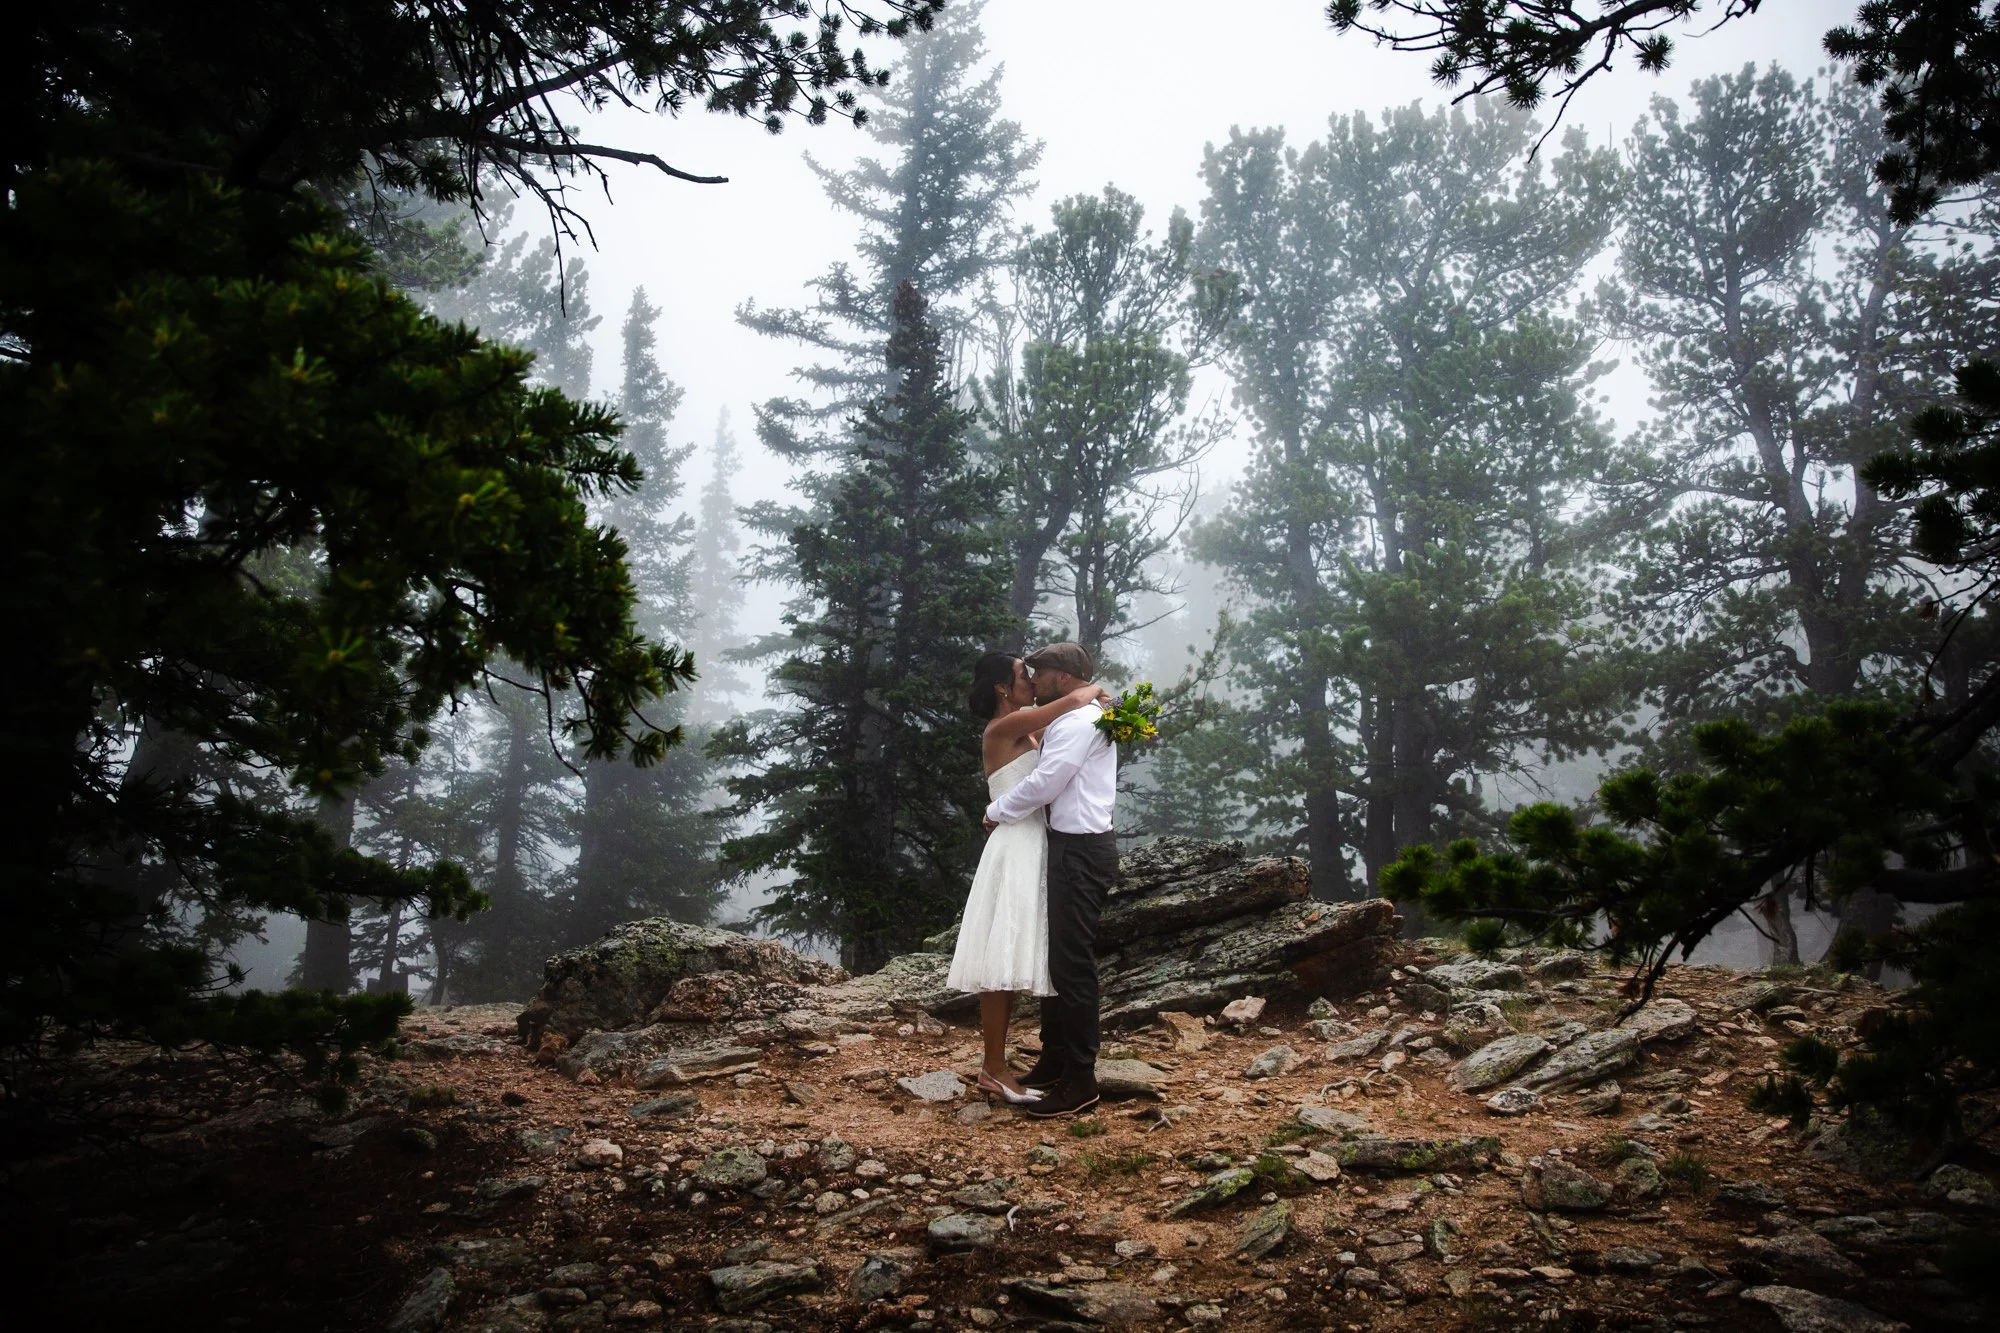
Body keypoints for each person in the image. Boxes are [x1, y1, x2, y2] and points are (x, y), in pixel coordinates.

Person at [947, 652, 1109, 1103]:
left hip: (1037, 843)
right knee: (1001, 957)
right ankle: (993, 1067)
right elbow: (1069, 703)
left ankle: (1031, 1061)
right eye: (1023, 675)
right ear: (1002, 687)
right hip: (1016, 846)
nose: (1032, 681)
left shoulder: (1030, 728)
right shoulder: (1005, 727)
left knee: (1024, 954)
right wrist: (1096, 690)